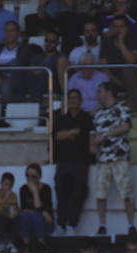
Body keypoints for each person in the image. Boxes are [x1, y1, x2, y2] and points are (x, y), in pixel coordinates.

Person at [90, 82, 136, 236]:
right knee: (100, 194)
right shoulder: (98, 114)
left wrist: (105, 135)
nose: (98, 95)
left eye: (100, 91)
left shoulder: (122, 108)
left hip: (120, 157)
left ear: (108, 92)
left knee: (127, 193)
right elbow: (94, 135)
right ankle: (102, 224)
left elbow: (126, 126)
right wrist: (94, 146)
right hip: (103, 159)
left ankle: (131, 225)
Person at [51, 88, 93, 234]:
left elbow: (85, 138)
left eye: (76, 97)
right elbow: (57, 136)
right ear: (67, 101)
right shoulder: (61, 118)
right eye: (70, 98)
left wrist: (66, 134)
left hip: (80, 162)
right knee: (61, 192)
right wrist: (72, 132)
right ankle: (61, 224)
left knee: (78, 193)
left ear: (81, 100)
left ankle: (71, 225)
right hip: (62, 161)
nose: (73, 100)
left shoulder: (86, 119)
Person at [17, 163, 55, 252]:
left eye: (33, 176)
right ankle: (26, 244)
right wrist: (42, 211)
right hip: (29, 222)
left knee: (34, 214)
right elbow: (24, 209)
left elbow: (44, 212)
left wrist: (35, 191)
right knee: (27, 215)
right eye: (27, 176)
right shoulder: (23, 189)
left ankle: (41, 241)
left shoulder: (46, 188)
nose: (30, 179)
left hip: (46, 223)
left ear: (39, 176)